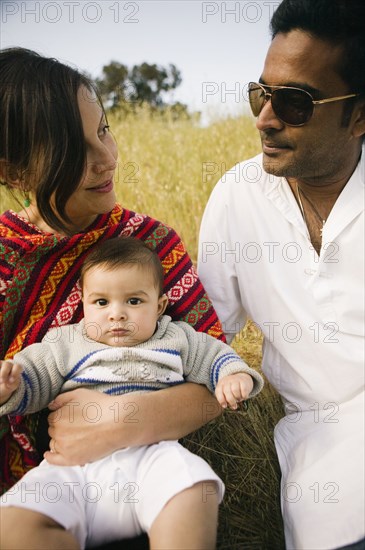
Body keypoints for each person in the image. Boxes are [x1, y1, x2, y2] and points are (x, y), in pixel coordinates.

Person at [0, 47, 226, 546]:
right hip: (42, 490)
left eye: (103, 129)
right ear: (15, 173)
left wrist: (125, 421)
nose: (106, 159)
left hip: (147, 476)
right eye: (74, 151)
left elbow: (216, 374)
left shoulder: (151, 246)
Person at [198, 0, 365, 549]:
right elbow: (201, 337)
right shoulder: (238, 195)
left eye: (295, 103)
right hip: (321, 454)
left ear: (359, 114)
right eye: (261, 94)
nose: (264, 119)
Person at [0, 237, 264, 549]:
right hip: (72, 469)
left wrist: (233, 376)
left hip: (151, 458)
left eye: (134, 302)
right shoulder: (65, 343)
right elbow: (34, 380)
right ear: (83, 304)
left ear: (160, 305)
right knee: (15, 523)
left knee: (193, 487)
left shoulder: (176, 338)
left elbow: (215, 357)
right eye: (101, 302)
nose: (117, 314)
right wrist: (9, 387)